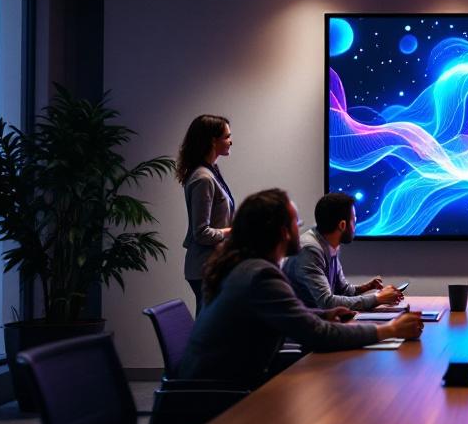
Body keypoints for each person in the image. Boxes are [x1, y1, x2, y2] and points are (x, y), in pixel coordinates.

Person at [177, 188, 422, 388]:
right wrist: (388, 330)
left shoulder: (246, 268)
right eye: (297, 223)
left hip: (215, 390)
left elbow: (284, 317)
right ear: (284, 232)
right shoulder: (261, 276)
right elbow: (317, 335)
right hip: (212, 405)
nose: (302, 230)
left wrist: (323, 315)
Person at [284, 192, 403, 311]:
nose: (355, 226)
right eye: (354, 220)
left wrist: (366, 287)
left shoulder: (328, 244)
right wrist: (378, 298)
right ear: (342, 225)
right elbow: (327, 302)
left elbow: (343, 290)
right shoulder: (310, 250)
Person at [177, 114, 235, 315]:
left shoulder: (211, 171)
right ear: (212, 140)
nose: (231, 141)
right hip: (204, 268)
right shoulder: (203, 178)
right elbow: (201, 233)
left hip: (212, 266)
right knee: (210, 329)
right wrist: (233, 231)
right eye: (227, 136)